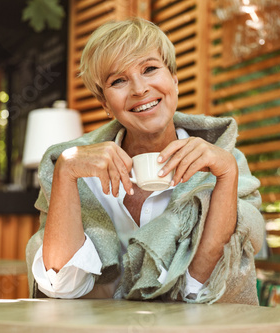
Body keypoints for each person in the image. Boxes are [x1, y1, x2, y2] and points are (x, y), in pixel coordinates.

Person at [26, 18, 264, 304]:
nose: (139, 89)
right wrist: (65, 171)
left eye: (150, 69)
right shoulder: (74, 167)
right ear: (104, 103)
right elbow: (60, 286)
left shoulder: (223, 160)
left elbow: (201, 286)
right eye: (118, 80)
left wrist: (226, 174)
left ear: (174, 80)